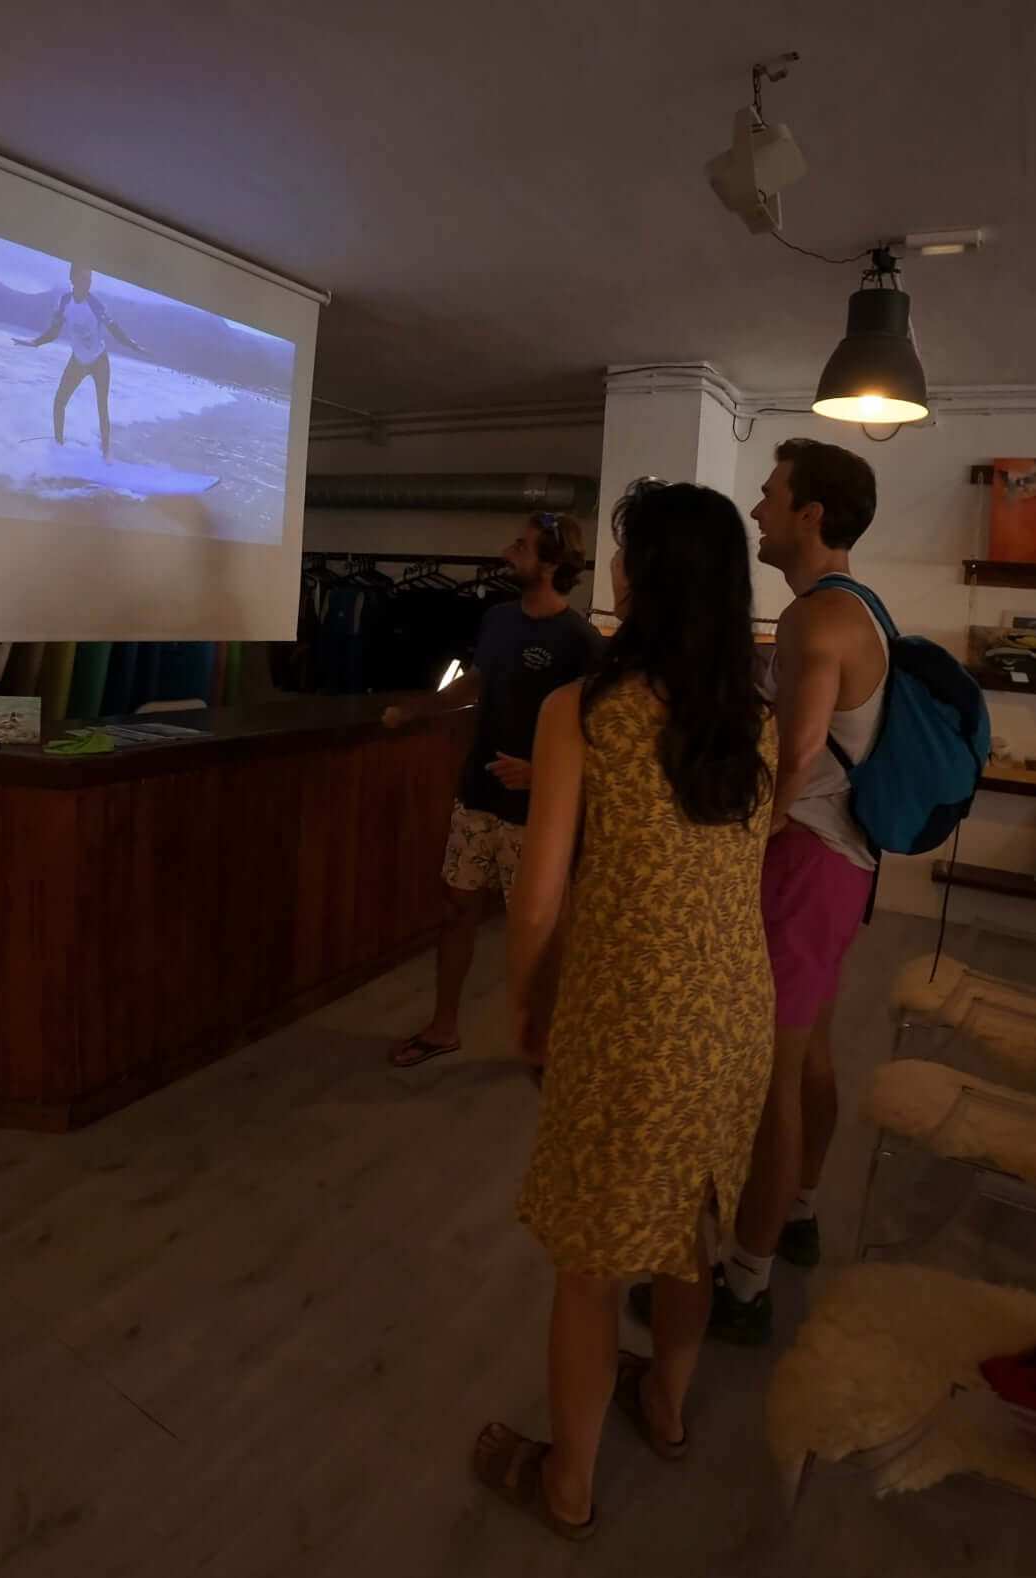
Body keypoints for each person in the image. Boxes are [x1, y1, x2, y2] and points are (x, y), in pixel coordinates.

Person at [473, 480, 776, 1538]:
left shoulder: (586, 713)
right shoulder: (758, 722)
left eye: (624, 555)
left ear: (644, 581)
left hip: (630, 1018)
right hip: (737, 1008)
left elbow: (540, 897)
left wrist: (523, 999)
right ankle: (669, 1408)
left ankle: (567, 1483)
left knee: (592, 1268)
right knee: (694, 1229)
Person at [631, 438, 885, 1347]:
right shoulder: (855, 608)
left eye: (771, 494)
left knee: (769, 1079)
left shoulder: (820, 618)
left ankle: (744, 1280)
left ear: (811, 514)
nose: (757, 511)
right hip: (843, 862)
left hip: (806, 862)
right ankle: (802, 1211)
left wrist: (742, 844)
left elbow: (801, 754)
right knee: (808, 1055)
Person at [384, 513, 602, 1068]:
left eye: (522, 547)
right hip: (476, 796)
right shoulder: (498, 619)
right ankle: (443, 1026)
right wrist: (419, 708)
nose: (509, 552)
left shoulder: (579, 639)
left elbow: (596, 730)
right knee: (456, 909)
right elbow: (477, 681)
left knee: (539, 931)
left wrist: (541, 774)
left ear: (552, 563)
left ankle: (547, 1043)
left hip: (537, 815)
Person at [14, 262, 149, 460]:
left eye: (90, 279)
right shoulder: (63, 303)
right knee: (59, 402)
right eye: (84, 278)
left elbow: (114, 329)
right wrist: (34, 342)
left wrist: (132, 345)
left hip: (99, 361)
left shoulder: (96, 305)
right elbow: (54, 332)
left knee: (102, 408)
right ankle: (58, 446)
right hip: (77, 361)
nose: (88, 283)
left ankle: (106, 455)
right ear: (73, 279)